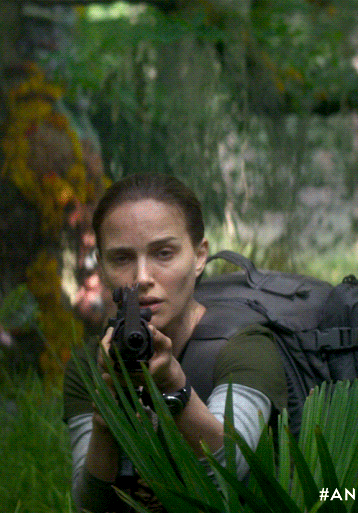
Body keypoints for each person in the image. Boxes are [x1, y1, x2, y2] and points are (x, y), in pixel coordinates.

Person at [63, 173, 288, 512]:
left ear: (199, 256)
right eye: (122, 258)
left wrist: (174, 387)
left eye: (164, 253)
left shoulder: (243, 346)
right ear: (103, 266)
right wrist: (108, 415)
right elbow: (89, 505)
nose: (142, 278)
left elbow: (230, 478)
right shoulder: (90, 364)